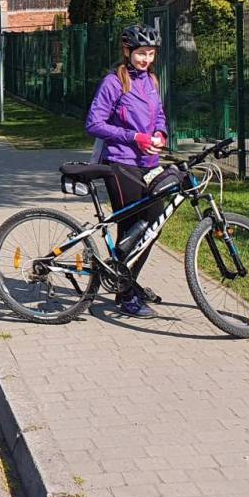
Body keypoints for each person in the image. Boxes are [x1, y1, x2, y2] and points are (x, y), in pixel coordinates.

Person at [85, 24, 169, 318]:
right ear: (127, 51)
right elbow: (94, 124)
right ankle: (125, 292)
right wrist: (135, 137)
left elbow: (159, 115)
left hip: (149, 164)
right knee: (131, 227)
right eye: (141, 53)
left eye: (151, 53)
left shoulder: (152, 80)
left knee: (153, 225)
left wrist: (160, 134)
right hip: (120, 163)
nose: (146, 59)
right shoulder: (114, 82)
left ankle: (123, 279)